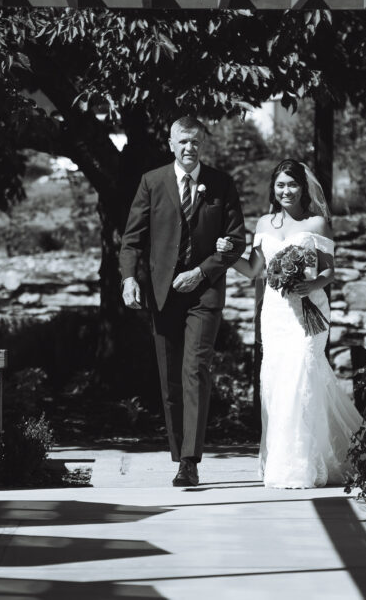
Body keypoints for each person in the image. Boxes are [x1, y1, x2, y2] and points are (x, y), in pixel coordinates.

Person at [217, 159, 362, 489]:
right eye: (280, 185)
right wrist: (227, 256)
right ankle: (287, 462)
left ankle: (303, 466)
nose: (286, 191)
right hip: (276, 314)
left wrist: (311, 285)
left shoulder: (318, 223)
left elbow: (329, 271)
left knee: (303, 378)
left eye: (292, 185)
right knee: (278, 383)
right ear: (273, 188)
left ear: (303, 187)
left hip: (309, 311)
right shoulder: (264, 224)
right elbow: (255, 270)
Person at [119, 116, 246, 487]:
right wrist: (129, 278)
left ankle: (189, 461)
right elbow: (131, 240)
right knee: (170, 377)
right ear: (171, 143)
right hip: (162, 294)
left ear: (201, 144)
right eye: (183, 142)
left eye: (196, 142)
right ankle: (179, 453)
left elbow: (235, 240)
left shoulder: (221, 184)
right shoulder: (152, 182)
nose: (190, 148)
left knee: (195, 370)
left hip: (204, 292)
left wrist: (203, 272)